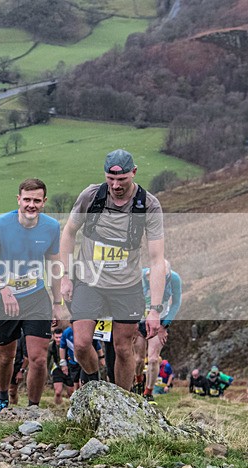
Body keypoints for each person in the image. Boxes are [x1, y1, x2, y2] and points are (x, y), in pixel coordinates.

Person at [59, 149, 165, 391]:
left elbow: (157, 259)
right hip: (89, 281)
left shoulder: (148, 205)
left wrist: (155, 309)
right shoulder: (91, 196)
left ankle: (121, 399)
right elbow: (69, 233)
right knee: (82, 343)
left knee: (123, 348)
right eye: (111, 179)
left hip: (126, 286)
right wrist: (64, 276)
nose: (116, 185)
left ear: (134, 173)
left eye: (122, 179)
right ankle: (94, 384)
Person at [0, 178, 63, 417]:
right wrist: (2, 287)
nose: (31, 205)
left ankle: (33, 408)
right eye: (27, 200)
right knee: (7, 357)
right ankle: (3, 398)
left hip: (36, 297)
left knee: (38, 358)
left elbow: (55, 266)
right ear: (18, 200)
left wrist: (57, 303)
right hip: (2, 298)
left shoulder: (52, 227)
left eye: (37, 200)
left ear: (44, 202)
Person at [132, 260, 182, 402]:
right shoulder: (140, 277)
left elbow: (176, 303)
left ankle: (148, 392)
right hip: (140, 320)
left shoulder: (174, 279)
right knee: (138, 359)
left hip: (160, 321)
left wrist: (164, 326)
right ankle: (138, 382)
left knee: (153, 359)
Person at [59, 325, 103, 390]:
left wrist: (102, 357)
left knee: (83, 382)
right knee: (75, 384)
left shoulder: (87, 330)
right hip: (73, 362)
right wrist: (63, 363)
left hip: (86, 361)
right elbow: (62, 347)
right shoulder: (66, 333)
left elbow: (97, 345)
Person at [48, 327, 74, 404]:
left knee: (71, 393)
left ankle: (72, 407)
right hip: (57, 368)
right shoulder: (50, 346)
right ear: (53, 337)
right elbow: (47, 359)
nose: (58, 339)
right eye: (56, 337)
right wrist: (46, 371)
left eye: (60, 337)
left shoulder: (69, 344)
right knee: (58, 392)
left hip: (70, 368)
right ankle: (58, 406)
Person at [8, 334, 29, 406]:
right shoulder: (2, 332)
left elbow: (26, 357)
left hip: (16, 366)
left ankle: (13, 407)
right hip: (4, 365)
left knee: (12, 391)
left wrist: (21, 371)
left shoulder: (21, 337)